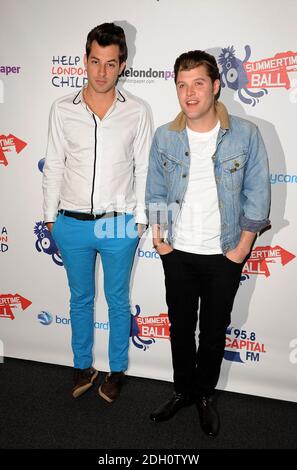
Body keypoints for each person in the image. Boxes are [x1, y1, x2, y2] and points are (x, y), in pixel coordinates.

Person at [145, 50, 270, 437]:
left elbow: (258, 194)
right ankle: (182, 391)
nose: (189, 93)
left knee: (214, 331)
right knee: (181, 328)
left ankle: (204, 395)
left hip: (224, 253)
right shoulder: (165, 135)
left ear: (216, 86)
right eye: (182, 85)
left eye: (198, 83)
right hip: (178, 252)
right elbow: (157, 189)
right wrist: (161, 240)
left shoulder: (246, 134)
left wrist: (240, 250)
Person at [43, 23, 152, 402]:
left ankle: (117, 370)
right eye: (95, 62)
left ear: (122, 64)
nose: (101, 72)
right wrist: (50, 219)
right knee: (79, 299)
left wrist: (139, 222)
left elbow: (144, 168)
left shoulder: (136, 111)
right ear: (85, 61)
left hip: (118, 225)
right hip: (71, 223)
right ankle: (81, 365)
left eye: (110, 63)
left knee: (118, 301)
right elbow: (54, 165)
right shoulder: (62, 109)